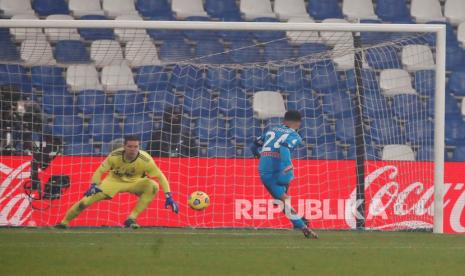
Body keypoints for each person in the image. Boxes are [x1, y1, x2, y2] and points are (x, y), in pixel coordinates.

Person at [55, 135, 178, 229]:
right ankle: (64, 222)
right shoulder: (114, 155)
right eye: (130, 146)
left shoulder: (146, 160)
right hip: (113, 182)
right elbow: (99, 171)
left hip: (135, 182)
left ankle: (131, 219)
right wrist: (94, 185)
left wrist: (169, 196)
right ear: (124, 147)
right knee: (84, 202)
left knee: (153, 186)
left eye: (136, 147)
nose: (133, 149)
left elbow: (161, 177)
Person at [250, 110, 318, 239]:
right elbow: (284, 147)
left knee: (284, 197)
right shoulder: (295, 136)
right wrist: (288, 163)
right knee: (285, 199)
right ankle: (303, 227)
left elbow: (253, 146)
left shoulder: (271, 130)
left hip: (264, 169)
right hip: (275, 172)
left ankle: (295, 216)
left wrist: (258, 155)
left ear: (284, 120)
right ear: (298, 124)